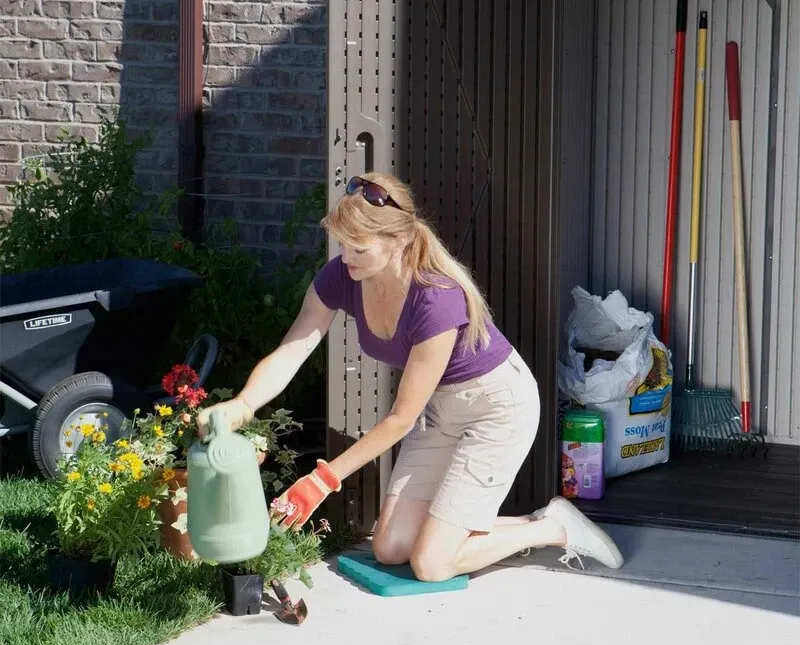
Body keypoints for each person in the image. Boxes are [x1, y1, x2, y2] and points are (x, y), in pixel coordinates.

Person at [197, 172, 624, 581]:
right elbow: (295, 347)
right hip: (440, 411)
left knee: (431, 564)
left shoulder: (435, 297)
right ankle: (490, 525)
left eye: (359, 248)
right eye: (342, 244)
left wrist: (323, 478)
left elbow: (401, 418)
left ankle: (552, 529)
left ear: (398, 239)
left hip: (496, 410)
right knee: (391, 547)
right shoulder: (344, 275)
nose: (346, 257)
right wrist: (243, 403)